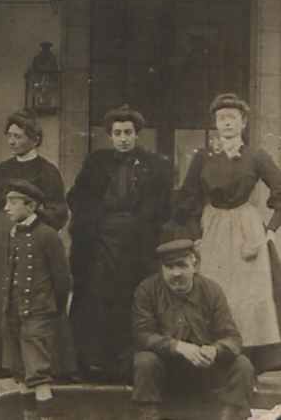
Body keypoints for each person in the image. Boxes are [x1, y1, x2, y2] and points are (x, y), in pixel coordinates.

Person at [173, 92, 281, 372]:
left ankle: (251, 357)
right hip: (213, 226)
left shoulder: (256, 156)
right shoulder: (203, 157)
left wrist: (270, 230)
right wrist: (195, 234)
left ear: (243, 122)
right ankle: (214, 352)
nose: (227, 123)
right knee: (213, 287)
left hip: (246, 226)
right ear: (216, 124)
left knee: (249, 292)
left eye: (232, 117)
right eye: (221, 118)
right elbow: (187, 198)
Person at [67, 105, 173, 381]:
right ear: (110, 136)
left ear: (137, 135)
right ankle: (93, 362)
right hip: (101, 244)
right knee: (98, 300)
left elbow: (164, 206)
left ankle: (128, 366)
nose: (123, 138)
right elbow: (77, 197)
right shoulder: (95, 164)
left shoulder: (155, 166)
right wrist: (94, 220)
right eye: (117, 133)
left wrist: (143, 223)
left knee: (133, 300)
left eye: (128, 132)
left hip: (137, 245)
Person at [0, 109, 68, 372]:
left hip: (31, 245)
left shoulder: (47, 170)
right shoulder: (3, 168)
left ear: (34, 138)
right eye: (10, 136)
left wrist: (35, 226)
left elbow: (59, 211)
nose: (12, 141)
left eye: (18, 136)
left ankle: (32, 363)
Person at [132, 236, 255, 420]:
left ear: (194, 264)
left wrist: (215, 350)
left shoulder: (212, 290)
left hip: (205, 369)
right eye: (169, 267)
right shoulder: (147, 290)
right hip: (166, 369)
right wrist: (177, 346)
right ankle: (149, 417)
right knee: (145, 361)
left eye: (182, 266)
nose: (176, 273)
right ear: (162, 268)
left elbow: (233, 337)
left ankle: (230, 417)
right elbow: (142, 335)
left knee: (242, 365)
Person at [1, 179, 75, 420]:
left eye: (13, 202)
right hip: (15, 312)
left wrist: (52, 309)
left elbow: (62, 279)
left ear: (31, 206)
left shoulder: (47, 235)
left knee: (38, 373)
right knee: (21, 372)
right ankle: (29, 416)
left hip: (38, 314)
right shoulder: (14, 232)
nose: (7, 208)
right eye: (7, 202)